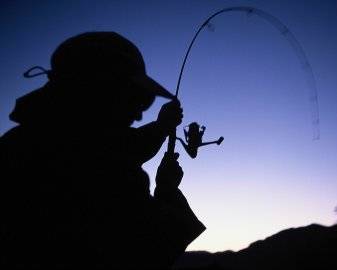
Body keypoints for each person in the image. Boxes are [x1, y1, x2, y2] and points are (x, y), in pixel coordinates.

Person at [0, 32, 205, 269]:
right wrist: (167, 189)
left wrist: (161, 127)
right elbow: (149, 249)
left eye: (144, 101)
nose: (139, 113)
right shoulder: (93, 167)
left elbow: (115, 147)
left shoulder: (29, 141)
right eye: (134, 99)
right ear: (99, 91)